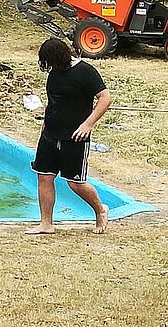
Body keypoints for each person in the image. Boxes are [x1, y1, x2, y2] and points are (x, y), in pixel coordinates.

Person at [26, 38, 111, 236]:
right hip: (50, 135)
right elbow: (53, 104)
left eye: (51, 61)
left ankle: (100, 209)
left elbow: (105, 98)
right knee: (44, 176)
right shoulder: (54, 73)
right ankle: (46, 224)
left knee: (75, 182)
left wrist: (88, 124)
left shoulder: (85, 71)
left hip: (75, 137)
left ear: (60, 56)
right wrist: (44, 129)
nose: (50, 67)